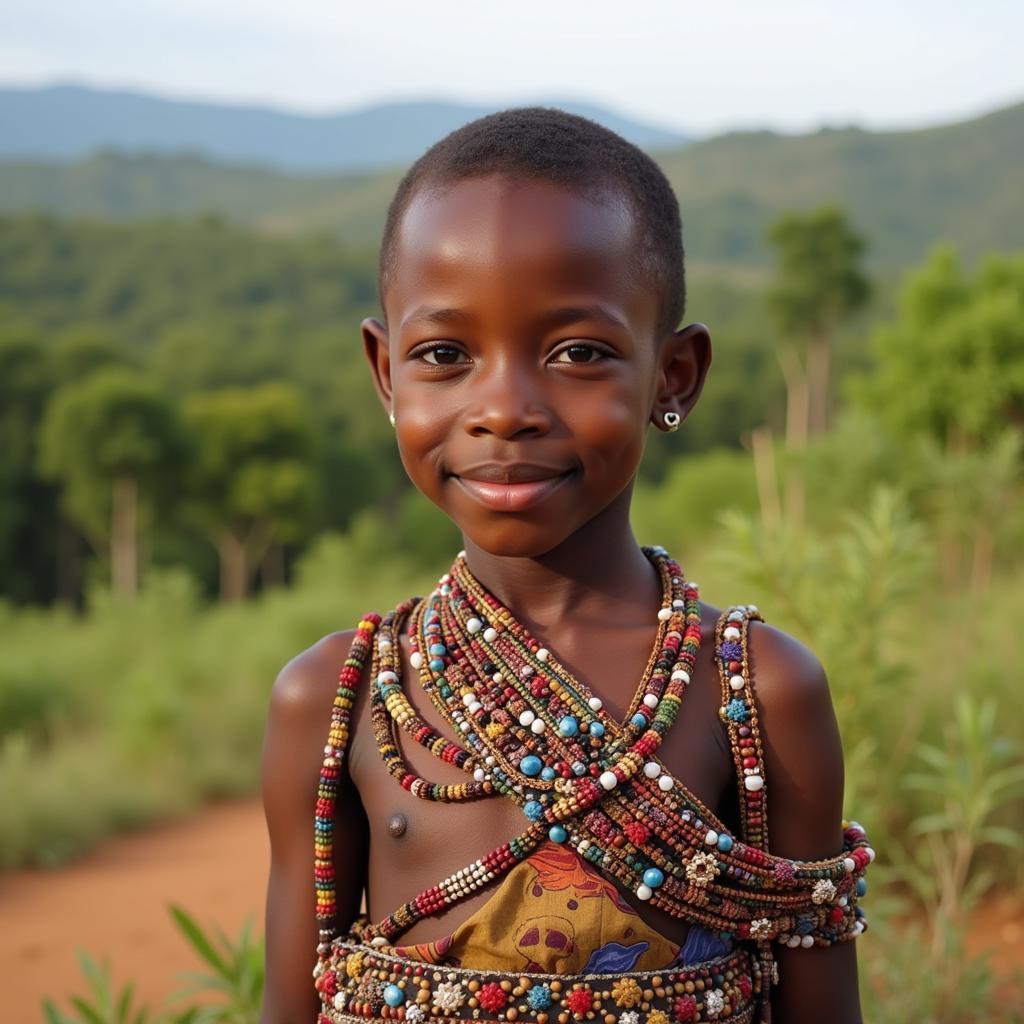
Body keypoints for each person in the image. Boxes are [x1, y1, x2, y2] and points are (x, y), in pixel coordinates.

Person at [259, 107, 873, 1024]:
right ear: (386, 373)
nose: (503, 408)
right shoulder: (337, 699)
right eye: (444, 354)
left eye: (577, 352)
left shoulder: (755, 689)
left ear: (674, 376)